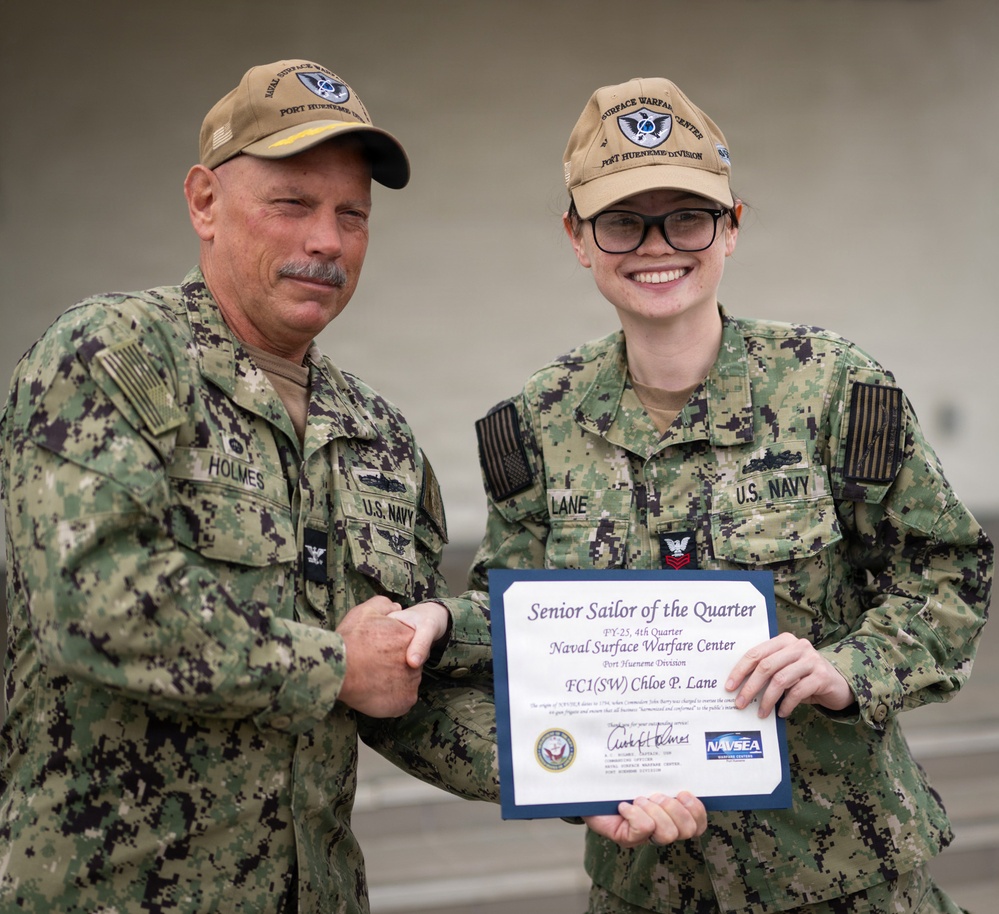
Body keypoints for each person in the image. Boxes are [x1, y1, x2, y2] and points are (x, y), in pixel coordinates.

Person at [0, 60, 703, 914]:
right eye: (291, 204)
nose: (326, 241)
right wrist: (331, 665)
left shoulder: (378, 436)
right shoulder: (112, 358)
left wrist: (583, 774)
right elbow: (91, 603)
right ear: (204, 202)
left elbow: (401, 688)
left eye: (352, 215)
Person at [469, 77, 993, 914]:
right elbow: (509, 629)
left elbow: (946, 576)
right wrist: (572, 775)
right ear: (576, 237)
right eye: (619, 220)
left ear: (732, 226)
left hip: (844, 871)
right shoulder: (533, 424)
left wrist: (844, 669)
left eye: (687, 215)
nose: (655, 245)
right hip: (646, 880)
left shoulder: (833, 390)